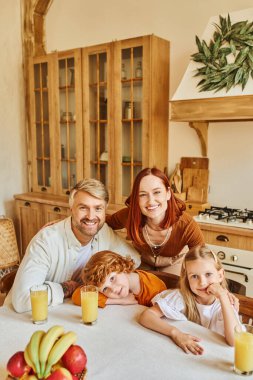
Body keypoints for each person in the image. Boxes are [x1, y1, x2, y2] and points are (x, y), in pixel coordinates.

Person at [11, 179, 140, 313]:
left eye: (98, 208)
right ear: (71, 209)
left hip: (76, 312)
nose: (91, 216)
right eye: (83, 208)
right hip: (35, 317)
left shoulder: (103, 232)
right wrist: (66, 288)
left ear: (105, 210)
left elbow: (135, 259)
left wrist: (110, 275)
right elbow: (22, 300)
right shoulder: (46, 240)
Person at [139, 245, 241, 355]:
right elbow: (147, 316)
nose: (202, 282)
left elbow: (235, 341)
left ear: (220, 275)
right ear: (187, 278)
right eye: (194, 276)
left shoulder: (224, 303)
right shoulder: (181, 297)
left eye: (208, 274)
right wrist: (176, 333)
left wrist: (223, 296)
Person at [106, 167, 204, 274]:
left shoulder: (186, 224)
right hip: (142, 261)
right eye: (143, 194)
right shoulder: (130, 215)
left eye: (157, 192)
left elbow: (203, 258)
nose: (151, 201)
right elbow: (103, 222)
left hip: (174, 263)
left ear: (168, 193)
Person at [72, 250, 167, 307]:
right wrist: (120, 301)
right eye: (105, 289)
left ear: (122, 267)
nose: (113, 289)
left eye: (112, 278)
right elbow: (77, 296)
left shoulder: (154, 288)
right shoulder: (117, 290)